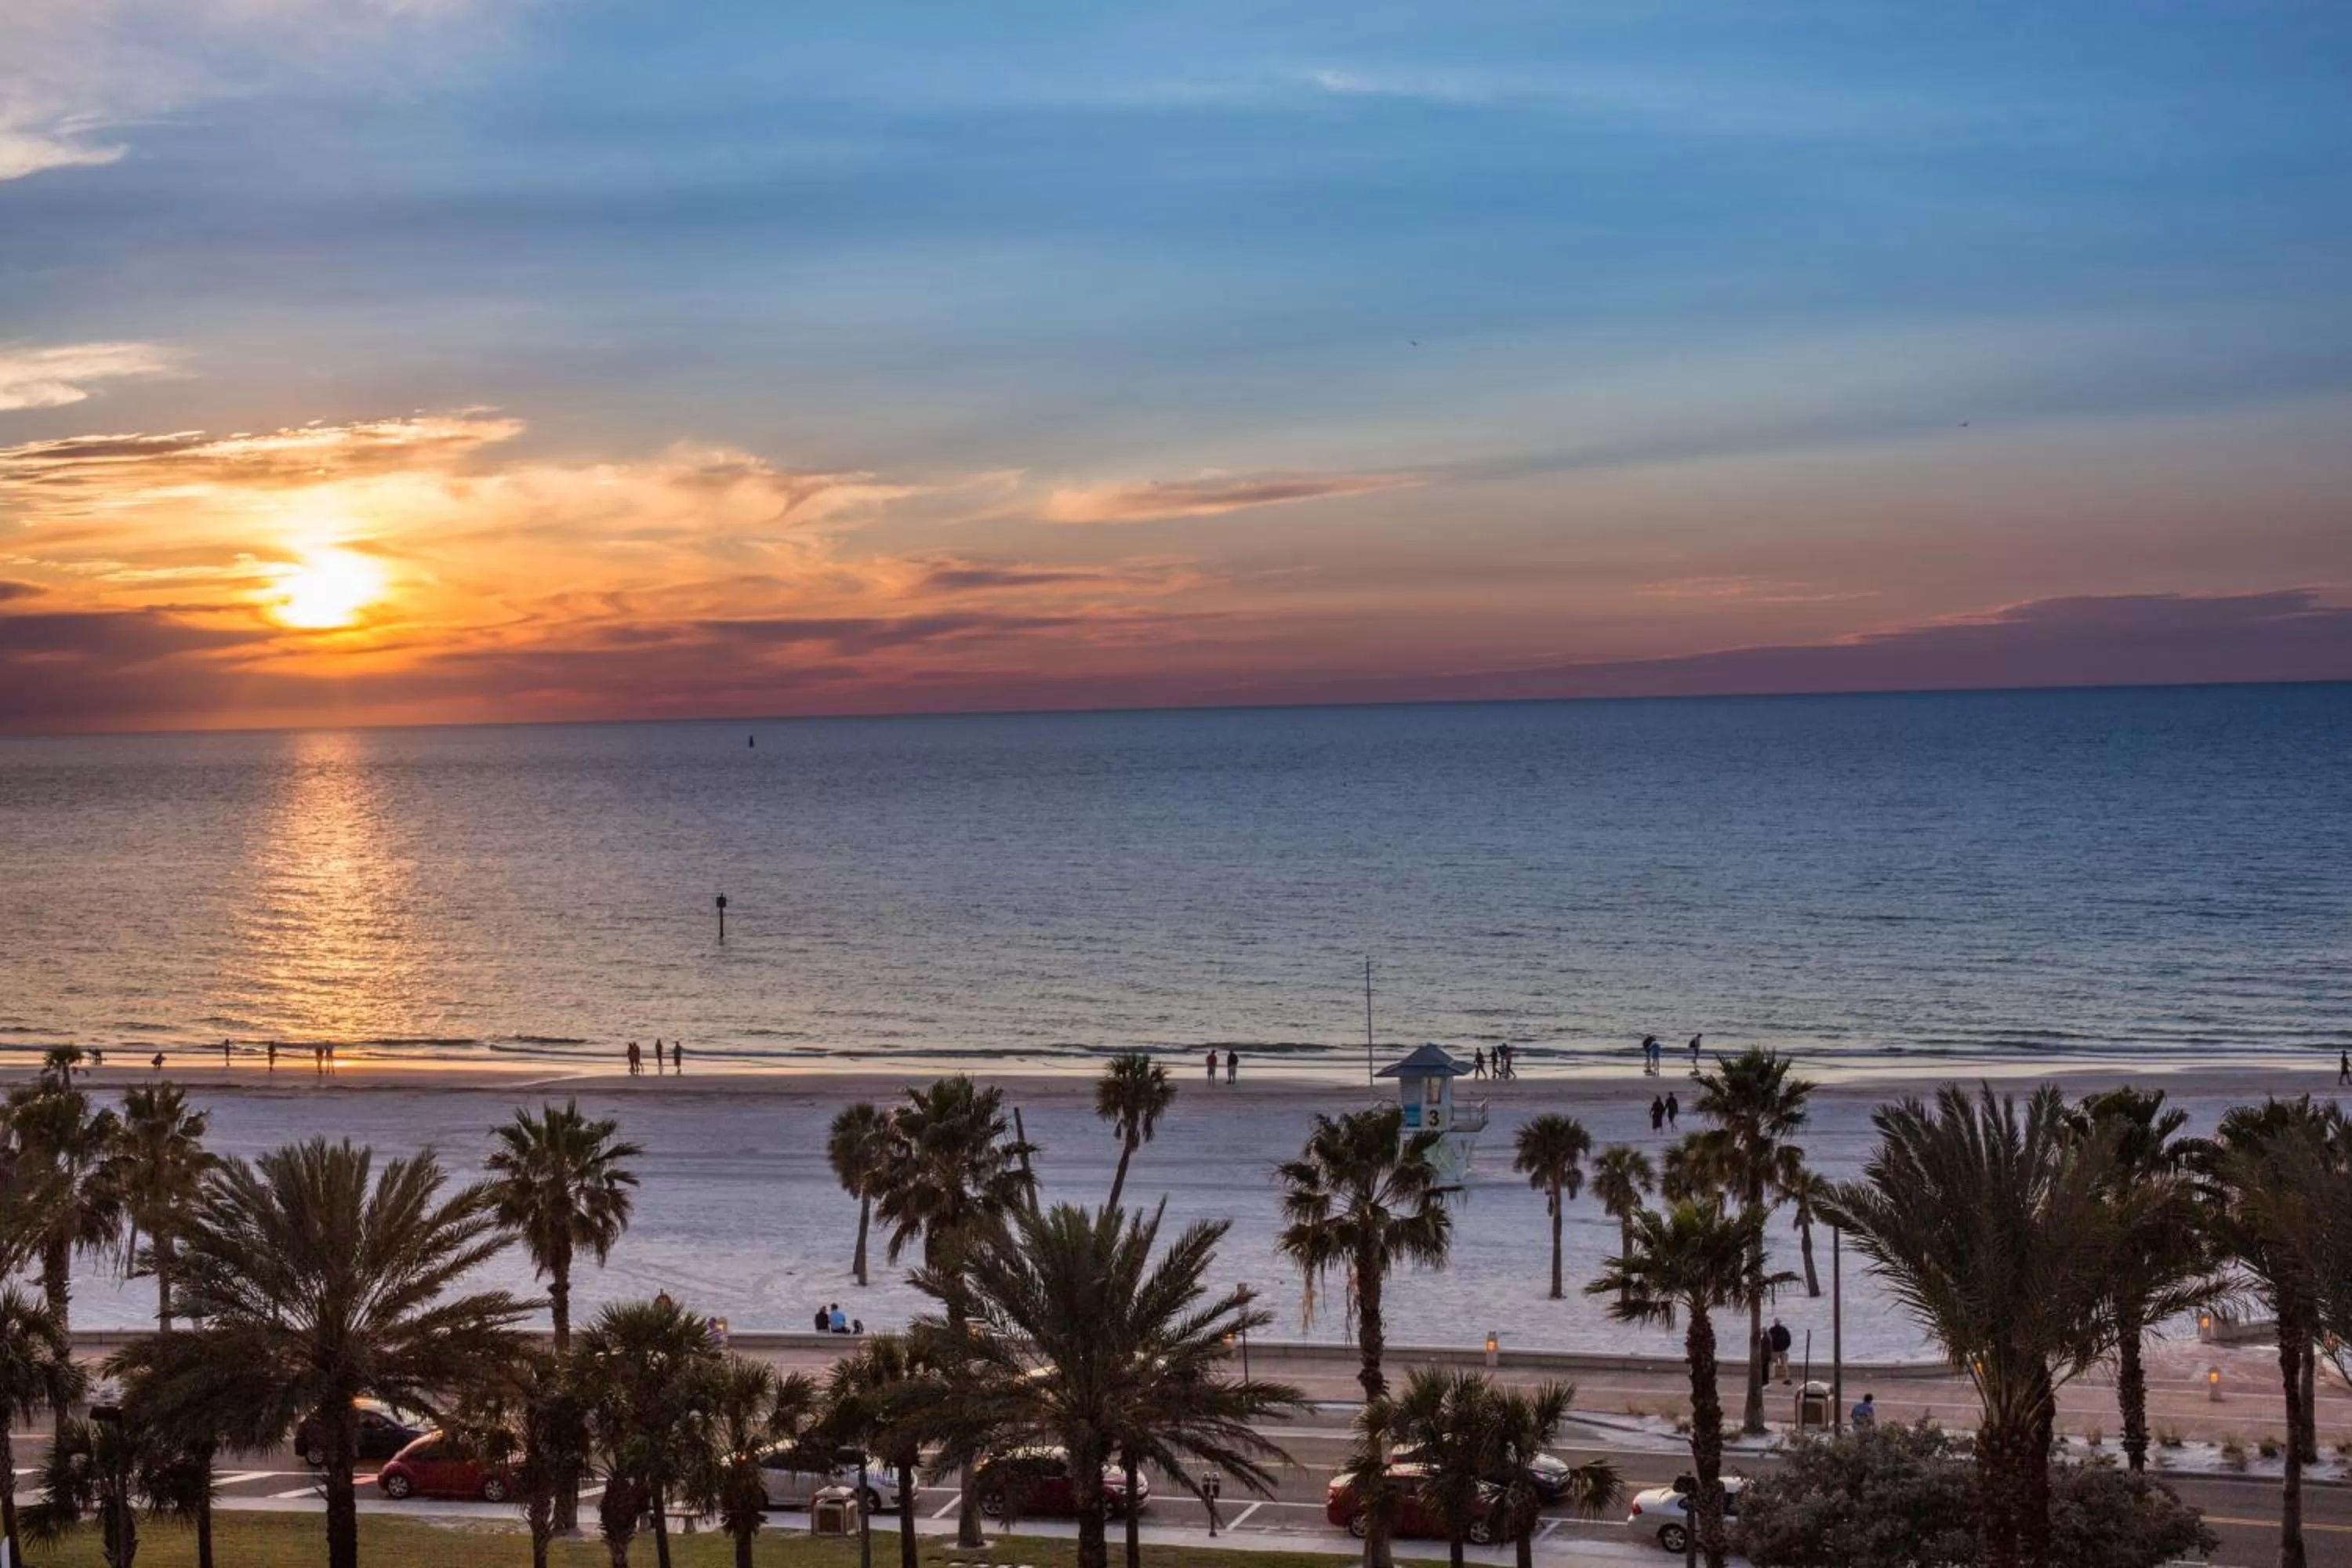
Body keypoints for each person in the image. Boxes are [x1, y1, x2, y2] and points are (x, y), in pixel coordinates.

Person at [1767, 1318, 1793, 1385]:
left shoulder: (1772, 1330)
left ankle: (1770, 1377)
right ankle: (1787, 1378)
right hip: (1783, 1350)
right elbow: (1789, 1339)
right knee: (1785, 1365)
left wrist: (1770, 1349)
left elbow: (1769, 1340)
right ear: (1780, 1322)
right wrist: (1786, 1347)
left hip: (1775, 1351)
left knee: (1770, 1362)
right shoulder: (1784, 1330)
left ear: (1775, 1323)